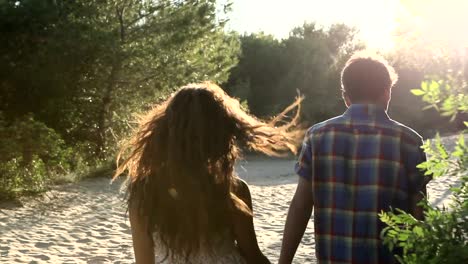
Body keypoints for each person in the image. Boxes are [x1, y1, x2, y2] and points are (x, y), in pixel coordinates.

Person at [114, 82, 302, 264]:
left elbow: (144, 261)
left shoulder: (143, 193)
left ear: (165, 131)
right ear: (221, 135)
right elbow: (251, 253)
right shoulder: (232, 190)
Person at [279, 52, 431, 264]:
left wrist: (284, 261)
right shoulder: (409, 141)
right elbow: (419, 214)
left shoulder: (317, 136)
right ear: (387, 92)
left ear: (345, 96)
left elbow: (301, 205)